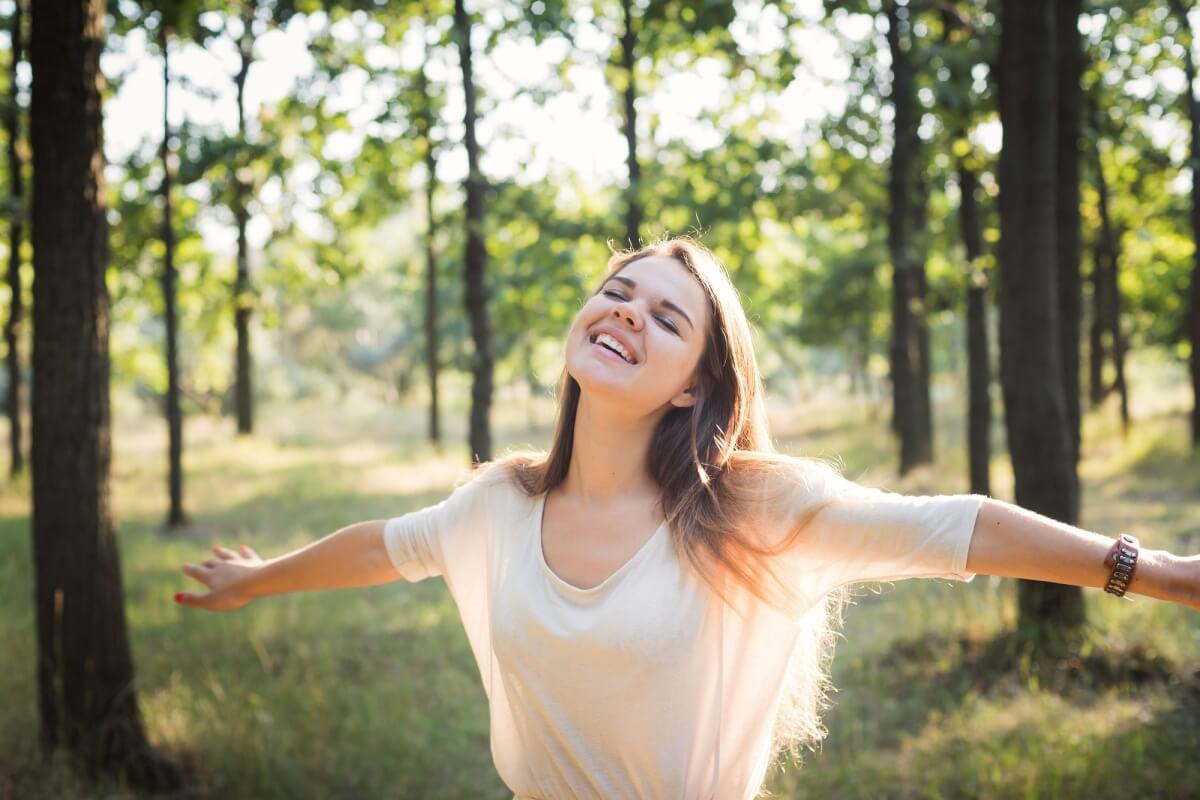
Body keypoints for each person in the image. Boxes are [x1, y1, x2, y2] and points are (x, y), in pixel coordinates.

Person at [176, 237, 1199, 799]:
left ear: (689, 386)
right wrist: (257, 577)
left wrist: (1156, 570)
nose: (626, 310)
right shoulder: (495, 504)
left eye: (666, 315)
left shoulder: (749, 507)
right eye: (617, 292)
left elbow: (963, 526)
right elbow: (380, 548)